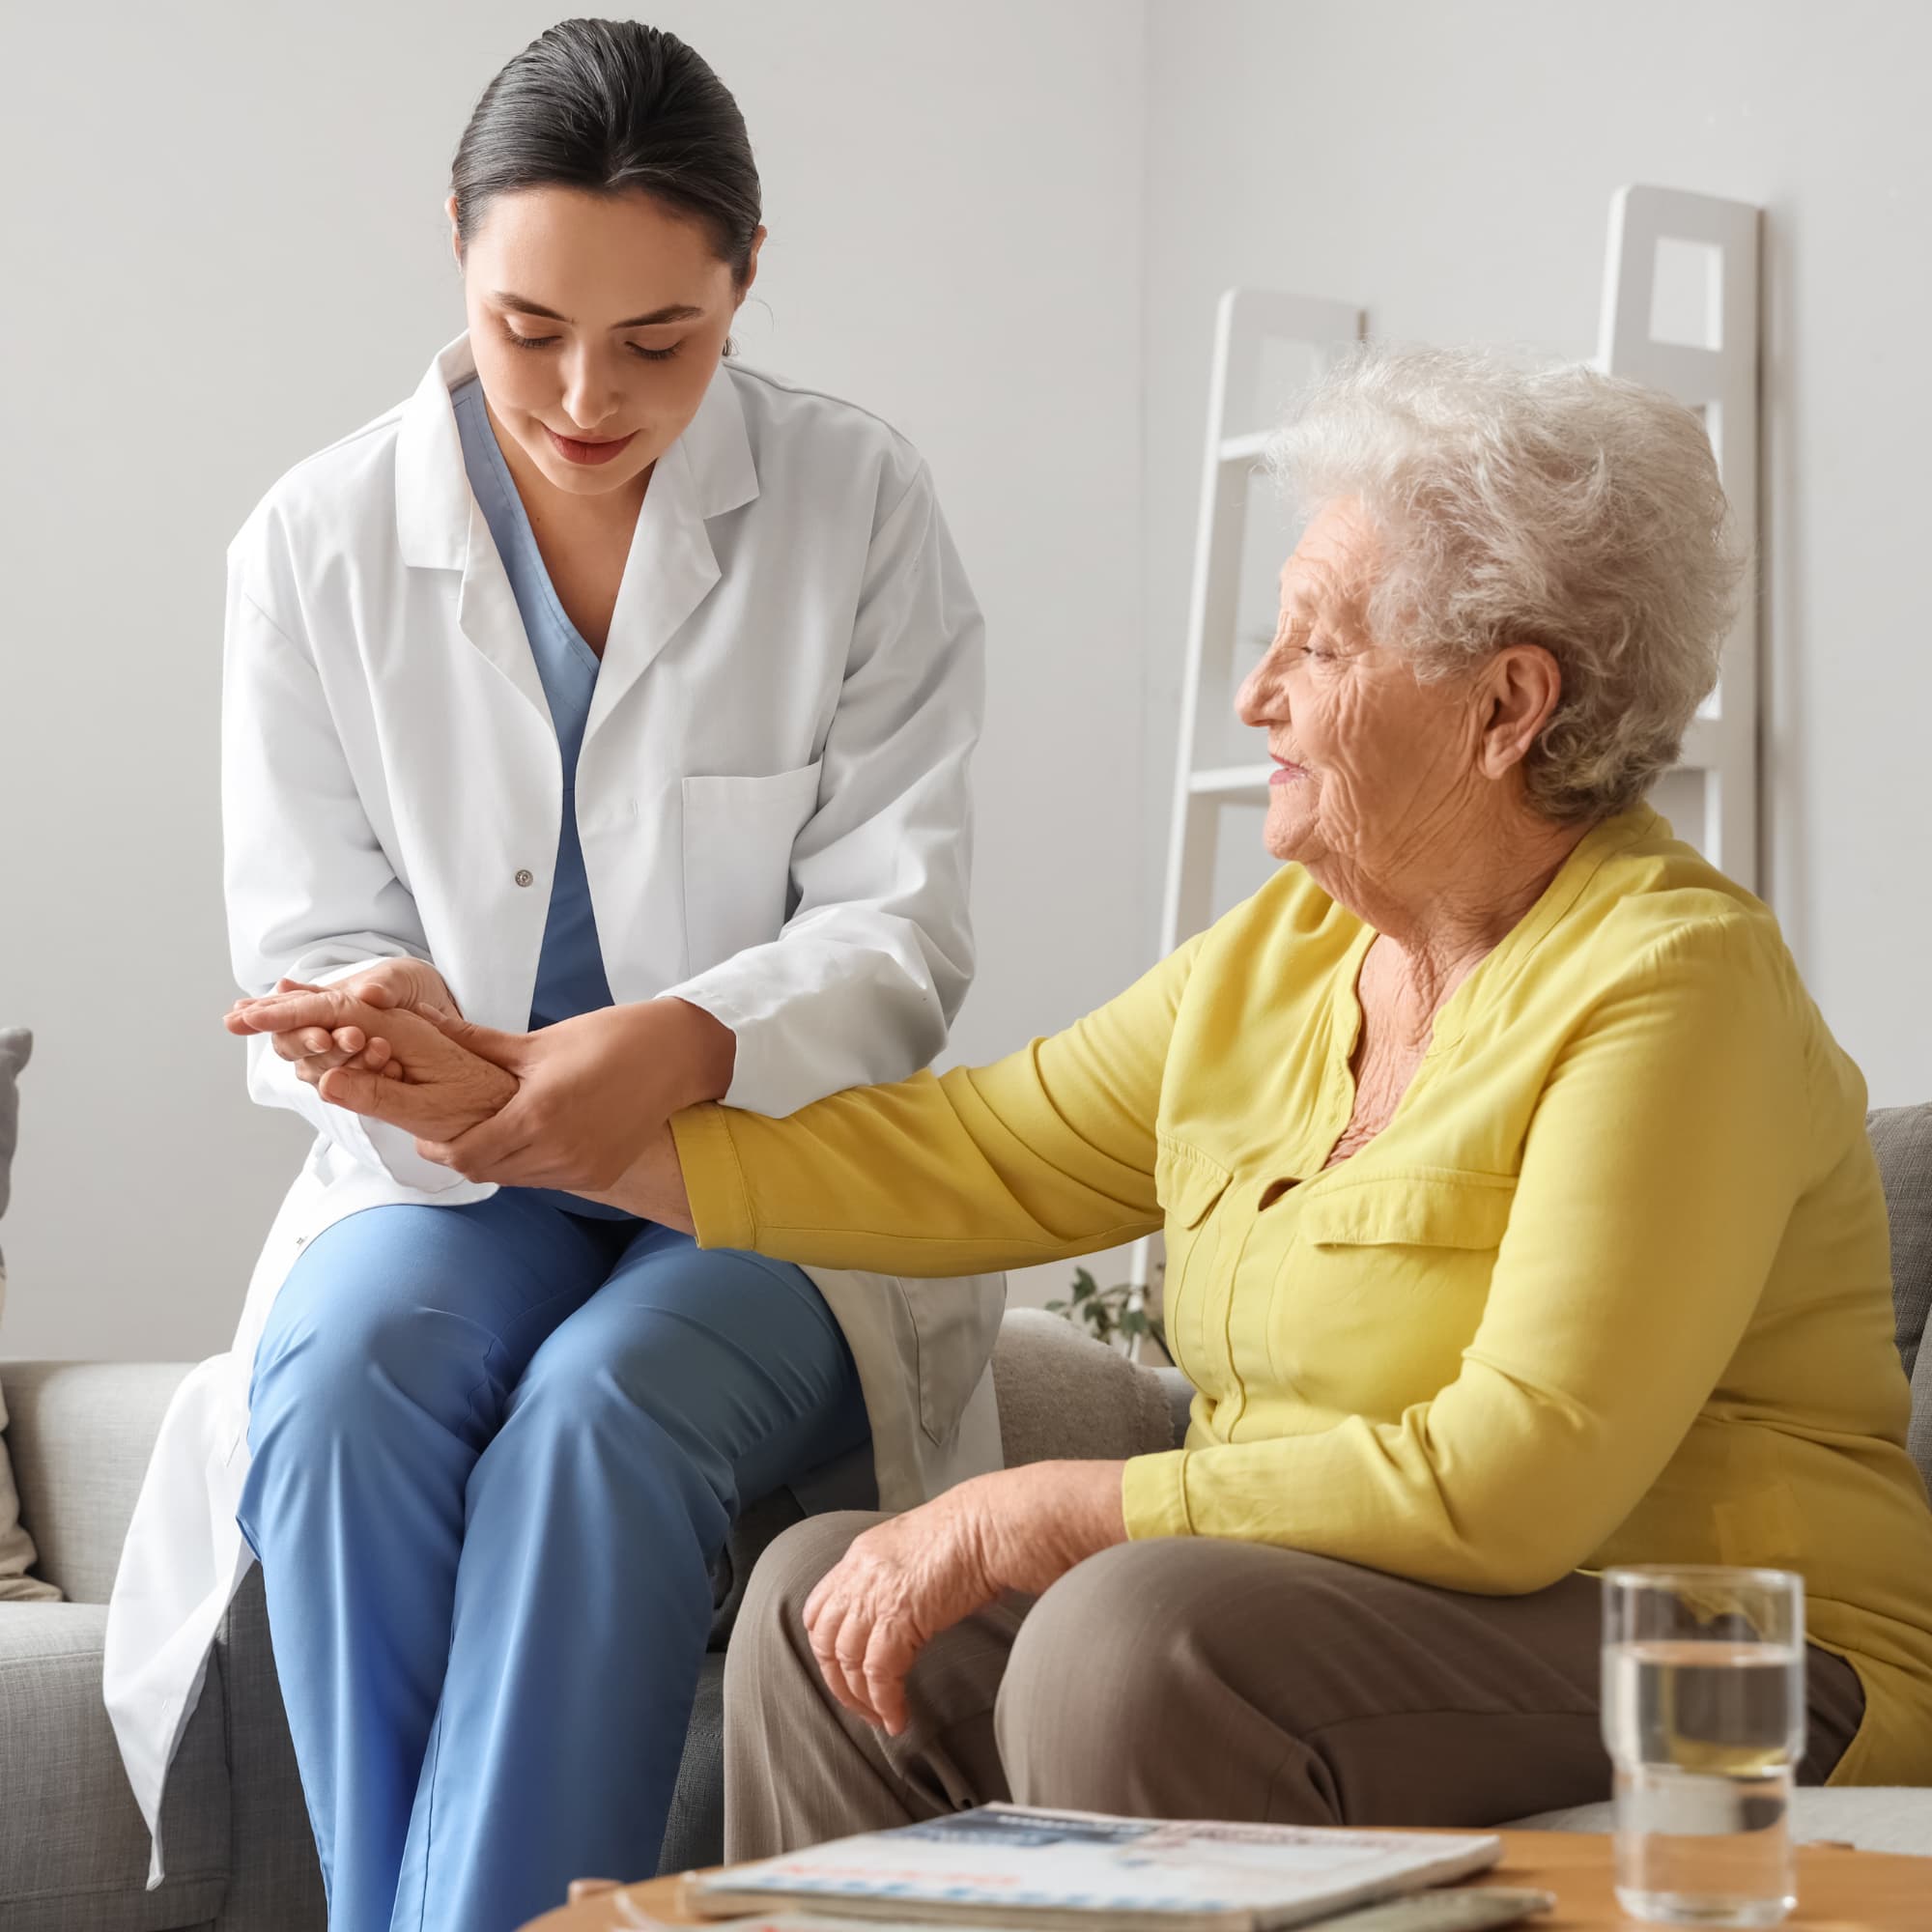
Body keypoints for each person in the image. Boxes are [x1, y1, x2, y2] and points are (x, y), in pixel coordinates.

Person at [299, 344, 1932, 1851]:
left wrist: (1063, 1509)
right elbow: (982, 1150)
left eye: (1321, 643)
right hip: (1333, 1611)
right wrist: (545, 1112)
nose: (1258, 695)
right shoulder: (1294, 952)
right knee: (828, 1604)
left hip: (1736, 1657)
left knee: (1132, 1640)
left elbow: (1514, 1482)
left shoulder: (1671, 990)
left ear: (1508, 705)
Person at [101, 22, 1003, 1930]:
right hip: (454, 1175)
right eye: (530, 328)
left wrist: (684, 1037)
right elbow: (308, 943)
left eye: (657, 341)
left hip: (762, 1170)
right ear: (452, 248)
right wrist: (389, 1046)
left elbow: (899, 926)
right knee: (339, 1383)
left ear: (747, 273)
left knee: (606, 1415)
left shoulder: (859, 510)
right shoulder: (315, 544)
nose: (585, 395)